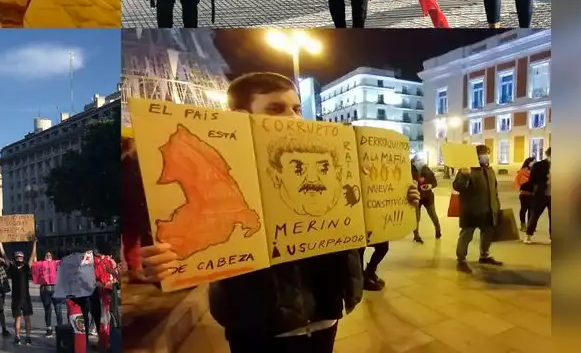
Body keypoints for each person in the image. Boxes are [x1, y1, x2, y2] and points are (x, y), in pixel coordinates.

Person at [135, 72, 420, 353]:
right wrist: (163, 265)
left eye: (296, 109)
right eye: (275, 109)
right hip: (259, 328)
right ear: (239, 117)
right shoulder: (218, 180)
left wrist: (395, 200)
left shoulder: (327, 165)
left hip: (325, 314)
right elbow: (180, 253)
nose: (292, 118)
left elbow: (356, 235)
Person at [453, 145, 504, 274]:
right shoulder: (467, 170)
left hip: (488, 211)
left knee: (487, 234)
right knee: (466, 235)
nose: (486, 156)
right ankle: (461, 259)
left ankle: (484, 256)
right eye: (483, 153)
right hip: (471, 211)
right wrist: (465, 175)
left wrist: (497, 206)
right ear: (476, 156)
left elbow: (495, 190)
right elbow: (458, 186)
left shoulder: (490, 170)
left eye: (487, 153)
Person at [8, 247, 35, 345]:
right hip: (16, 298)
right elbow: (4, 257)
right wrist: (0, 245)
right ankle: (17, 337)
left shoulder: (26, 267)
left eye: (21, 257)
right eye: (17, 257)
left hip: (26, 298)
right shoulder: (12, 268)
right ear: (15, 258)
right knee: (17, 318)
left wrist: (34, 244)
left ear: (23, 258)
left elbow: (32, 256)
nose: (19, 259)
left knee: (27, 318)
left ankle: (28, 337)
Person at [31, 250, 62, 336]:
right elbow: (34, 263)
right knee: (48, 310)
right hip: (45, 290)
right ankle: (49, 328)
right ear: (44, 257)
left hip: (55, 289)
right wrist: (34, 248)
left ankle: (60, 328)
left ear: (52, 256)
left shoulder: (55, 263)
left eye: (49, 255)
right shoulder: (40, 264)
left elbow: (65, 263)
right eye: (46, 255)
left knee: (58, 310)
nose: (48, 256)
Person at [412, 156, 442, 243]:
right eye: (418, 160)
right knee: (416, 217)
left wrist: (430, 186)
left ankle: (438, 230)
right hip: (416, 196)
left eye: (422, 160)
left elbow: (434, 182)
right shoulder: (410, 172)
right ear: (414, 162)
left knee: (433, 214)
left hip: (428, 197)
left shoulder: (428, 170)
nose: (421, 162)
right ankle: (416, 235)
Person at [525, 147, 551, 243]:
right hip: (541, 194)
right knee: (535, 215)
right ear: (548, 155)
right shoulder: (539, 165)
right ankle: (528, 235)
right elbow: (532, 180)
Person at [515, 157, 536, 232]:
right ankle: (523, 224)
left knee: (531, 210)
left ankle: (530, 225)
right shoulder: (522, 172)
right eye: (532, 162)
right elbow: (522, 183)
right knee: (524, 209)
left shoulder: (535, 171)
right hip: (525, 194)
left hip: (533, 194)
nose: (534, 163)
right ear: (528, 163)